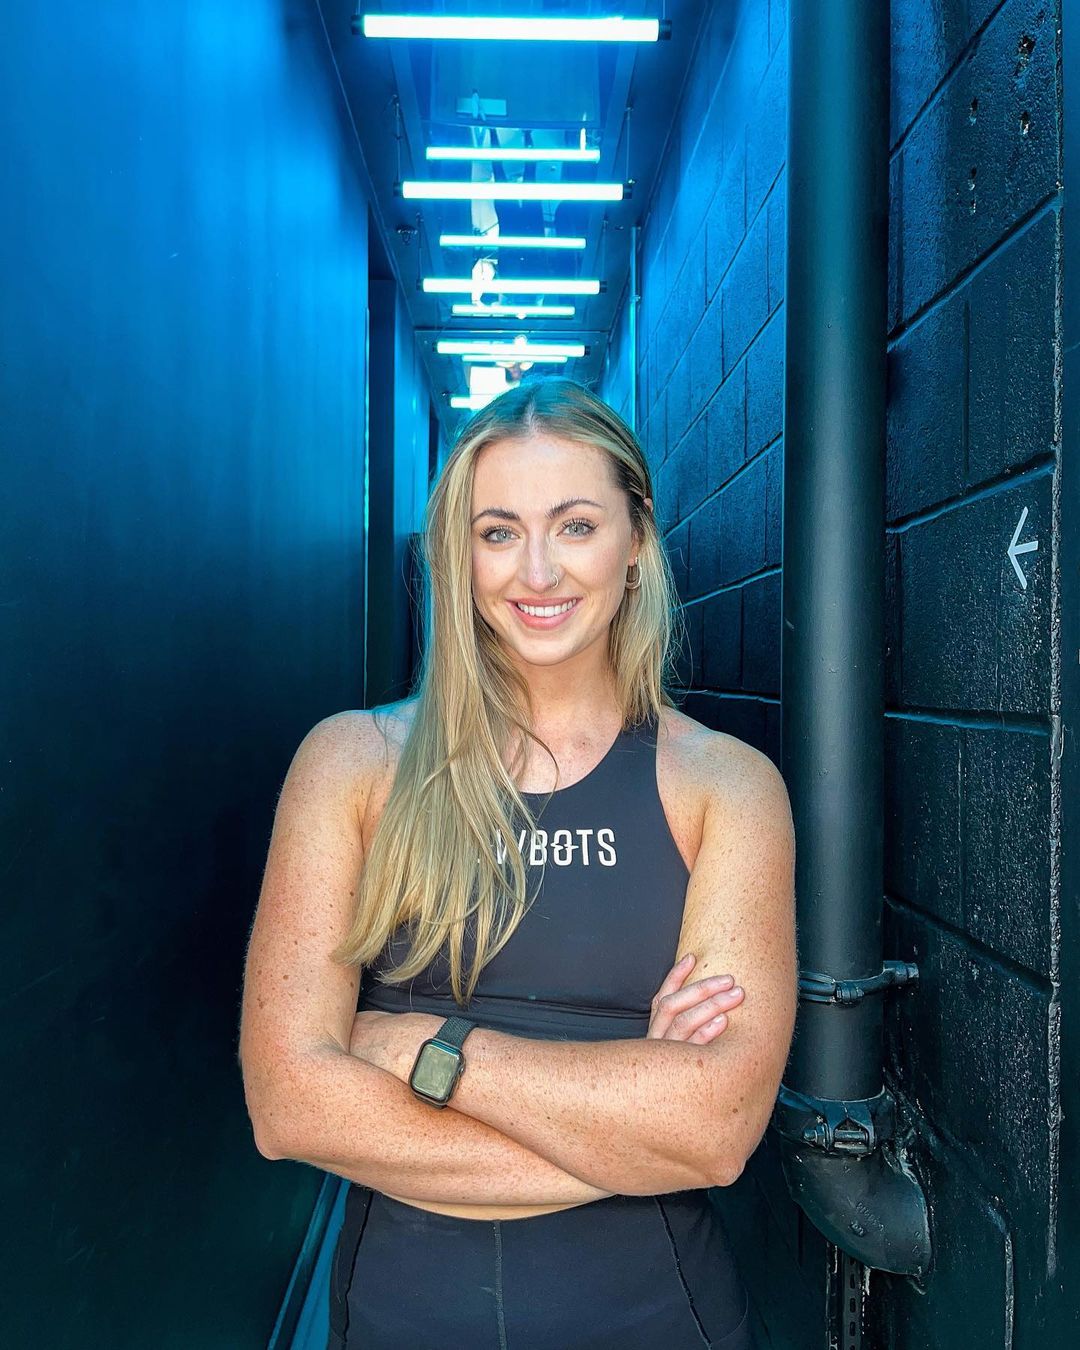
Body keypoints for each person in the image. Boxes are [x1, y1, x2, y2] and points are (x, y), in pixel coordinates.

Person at [239, 377, 798, 1349]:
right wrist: (635, 1128)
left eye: (575, 525)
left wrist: (421, 1049)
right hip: (396, 1319)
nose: (537, 572)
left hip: (662, 1318)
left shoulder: (727, 786)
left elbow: (715, 1132)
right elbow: (289, 1105)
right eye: (497, 532)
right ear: (458, 555)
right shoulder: (353, 764)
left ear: (635, 541)